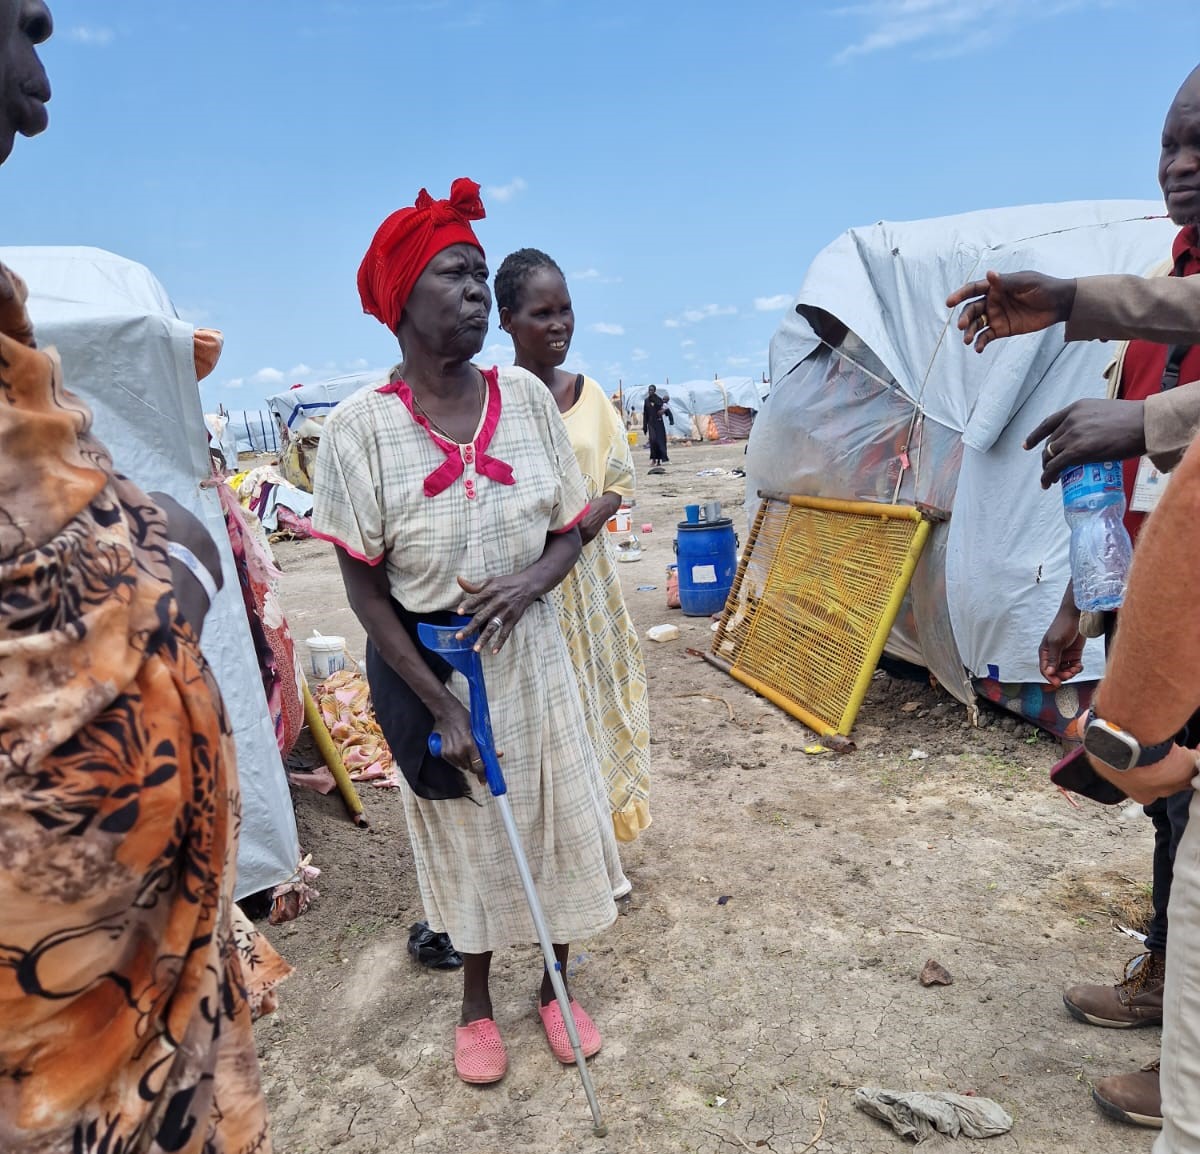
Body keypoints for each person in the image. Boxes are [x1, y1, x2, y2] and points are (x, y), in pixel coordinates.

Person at [0, 3, 284, 1150]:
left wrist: (150, 571)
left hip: (143, 1017)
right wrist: (165, 587)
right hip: (51, 1056)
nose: (43, 24)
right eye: (19, 17)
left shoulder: (14, 341)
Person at [312, 179, 628, 1087]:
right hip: (435, 671)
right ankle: (476, 1004)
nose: (476, 293)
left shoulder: (523, 400)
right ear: (402, 297)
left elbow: (568, 528)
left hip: (534, 655)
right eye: (454, 274)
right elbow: (365, 591)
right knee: (470, 841)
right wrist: (441, 706)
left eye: (482, 276)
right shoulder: (358, 431)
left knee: (556, 820)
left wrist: (530, 583)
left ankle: (557, 984)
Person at [945, 62, 1200, 1143]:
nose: (1181, 166)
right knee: (1172, 803)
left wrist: (1146, 422)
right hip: (1168, 583)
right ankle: (1170, 991)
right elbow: (1120, 482)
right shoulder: (1164, 286)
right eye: (1169, 146)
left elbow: (1140, 434)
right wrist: (1086, 609)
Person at [496, 247, 652, 842]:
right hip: (531, 585)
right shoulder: (494, 402)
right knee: (544, 713)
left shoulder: (591, 397)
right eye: (542, 313)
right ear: (508, 321)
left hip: (591, 584)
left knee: (604, 695)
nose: (559, 324)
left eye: (565, 310)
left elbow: (619, 481)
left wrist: (592, 516)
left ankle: (607, 832)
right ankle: (558, 843)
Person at [643, 382, 673, 467]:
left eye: (652, 390)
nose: (650, 391)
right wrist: (644, 426)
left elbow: (666, 409)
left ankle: (659, 460)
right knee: (652, 440)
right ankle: (653, 459)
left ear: (654, 391)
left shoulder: (659, 400)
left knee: (659, 441)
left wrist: (666, 415)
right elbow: (645, 414)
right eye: (649, 390)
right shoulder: (646, 401)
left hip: (659, 423)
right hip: (651, 423)